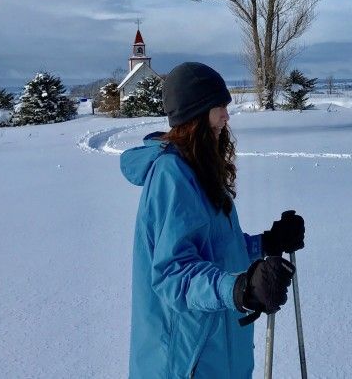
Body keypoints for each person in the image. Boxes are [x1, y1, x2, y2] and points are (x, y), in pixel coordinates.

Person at [121, 62, 305, 378]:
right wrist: (240, 288)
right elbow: (172, 274)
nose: (226, 116)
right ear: (195, 113)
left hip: (219, 348)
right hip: (187, 357)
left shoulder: (200, 168)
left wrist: (266, 243)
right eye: (219, 107)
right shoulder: (172, 176)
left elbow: (217, 250)